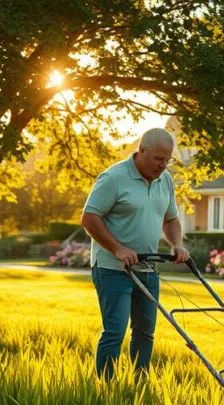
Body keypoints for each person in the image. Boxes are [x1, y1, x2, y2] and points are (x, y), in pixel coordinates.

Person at [81, 128, 190, 380]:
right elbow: (89, 218)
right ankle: (105, 388)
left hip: (148, 268)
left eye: (167, 160)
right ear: (142, 151)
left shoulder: (165, 180)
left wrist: (176, 245)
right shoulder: (113, 178)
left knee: (145, 332)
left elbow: (171, 218)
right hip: (112, 268)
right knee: (115, 332)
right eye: (158, 159)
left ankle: (139, 383)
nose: (163, 165)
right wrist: (118, 248)